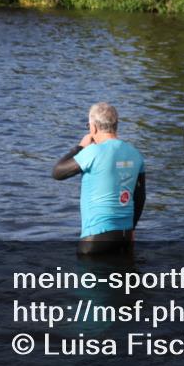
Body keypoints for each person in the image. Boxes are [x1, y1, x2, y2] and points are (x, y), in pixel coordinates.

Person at [52, 103, 146, 255]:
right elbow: (140, 197)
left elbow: (57, 172)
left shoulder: (92, 152)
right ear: (116, 125)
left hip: (96, 239)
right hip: (125, 236)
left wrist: (80, 147)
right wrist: (132, 229)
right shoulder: (135, 154)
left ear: (93, 127)